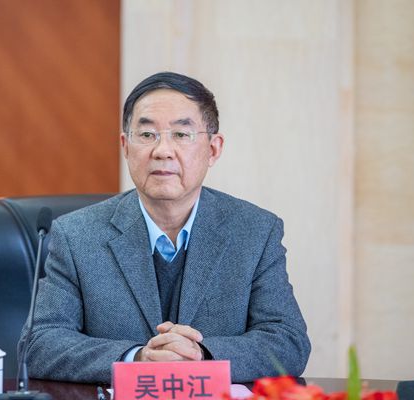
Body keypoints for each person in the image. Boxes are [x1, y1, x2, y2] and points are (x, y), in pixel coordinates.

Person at [19, 72, 310, 383]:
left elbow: (288, 341)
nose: (162, 150)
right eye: (147, 134)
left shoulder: (255, 232)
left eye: (181, 134)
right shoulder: (76, 235)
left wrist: (201, 355)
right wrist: (137, 358)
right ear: (125, 146)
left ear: (213, 149)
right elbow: (38, 344)